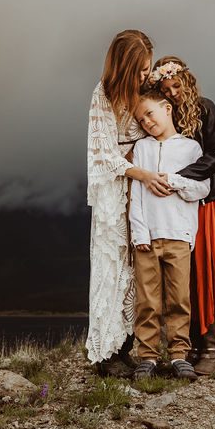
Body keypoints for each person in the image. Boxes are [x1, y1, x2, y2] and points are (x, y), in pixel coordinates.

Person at [148, 56, 215, 375]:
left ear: (187, 81)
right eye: (165, 88)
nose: (173, 92)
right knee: (187, 272)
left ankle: (213, 350)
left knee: (209, 269)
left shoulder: (205, 107)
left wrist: (180, 175)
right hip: (179, 203)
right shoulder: (160, 116)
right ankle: (189, 348)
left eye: (177, 85)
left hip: (212, 200)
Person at [86, 30, 174, 377]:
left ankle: (127, 347)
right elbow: (103, 151)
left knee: (139, 267)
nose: (144, 76)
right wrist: (141, 172)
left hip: (142, 184)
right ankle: (106, 352)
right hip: (117, 186)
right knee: (113, 266)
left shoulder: (146, 89)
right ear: (123, 66)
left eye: (147, 70)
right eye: (139, 70)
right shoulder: (104, 93)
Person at [127, 89, 210, 380]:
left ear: (166, 108)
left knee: (179, 299)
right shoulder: (142, 149)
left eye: (149, 113)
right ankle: (147, 356)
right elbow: (136, 194)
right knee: (147, 300)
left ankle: (178, 354)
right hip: (147, 238)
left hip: (179, 235)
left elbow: (203, 189)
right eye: (141, 119)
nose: (146, 122)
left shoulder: (191, 149)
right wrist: (139, 233)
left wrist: (173, 181)